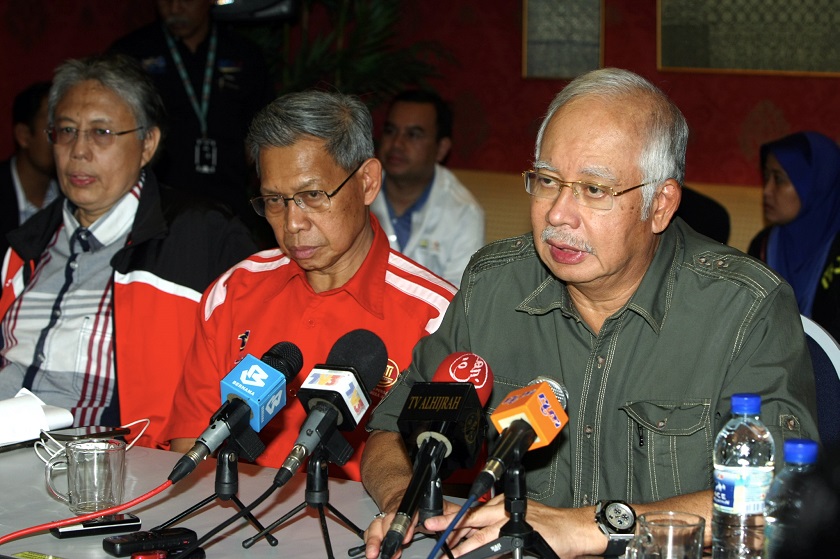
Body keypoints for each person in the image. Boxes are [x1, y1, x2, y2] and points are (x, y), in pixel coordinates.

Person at [360, 68, 818, 558]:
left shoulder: (744, 306)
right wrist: (403, 505)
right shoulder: (492, 286)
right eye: (547, 180)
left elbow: (784, 497)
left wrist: (587, 526)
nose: (557, 213)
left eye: (594, 190)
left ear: (659, 205)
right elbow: (390, 428)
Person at [161, 91, 457, 481]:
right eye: (274, 200)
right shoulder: (234, 293)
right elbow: (191, 452)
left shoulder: (437, 319)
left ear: (367, 182)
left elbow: (444, 484)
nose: (292, 223)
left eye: (312, 196)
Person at [0, 54, 257, 448]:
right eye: (66, 131)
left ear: (147, 144)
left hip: (109, 471)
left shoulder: (202, 237)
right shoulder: (25, 245)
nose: (79, 151)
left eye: (101, 132)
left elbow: (256, 362)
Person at [111, 0, 274, 242]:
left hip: (228, 196)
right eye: (167, 1)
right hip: (156, 199)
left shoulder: (243, 53)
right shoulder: (132, 52)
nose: (174, 8)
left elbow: (265, 122)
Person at [370, 90, 484, 286]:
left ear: (441, 149)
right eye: (390, 131)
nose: (396, 143)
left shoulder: (465, 213)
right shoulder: (354, 194)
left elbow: (460, 300)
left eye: (413, 135)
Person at [748, 131, 840, 342]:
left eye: (779, 179)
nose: (767, 191)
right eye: (766, 177)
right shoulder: (763, 244)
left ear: (816, 184)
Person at [1, 82, 60, 255]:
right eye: (52, 129)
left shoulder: (72, 195)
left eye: (68, 129)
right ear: (24, 136)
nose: (62, 140)